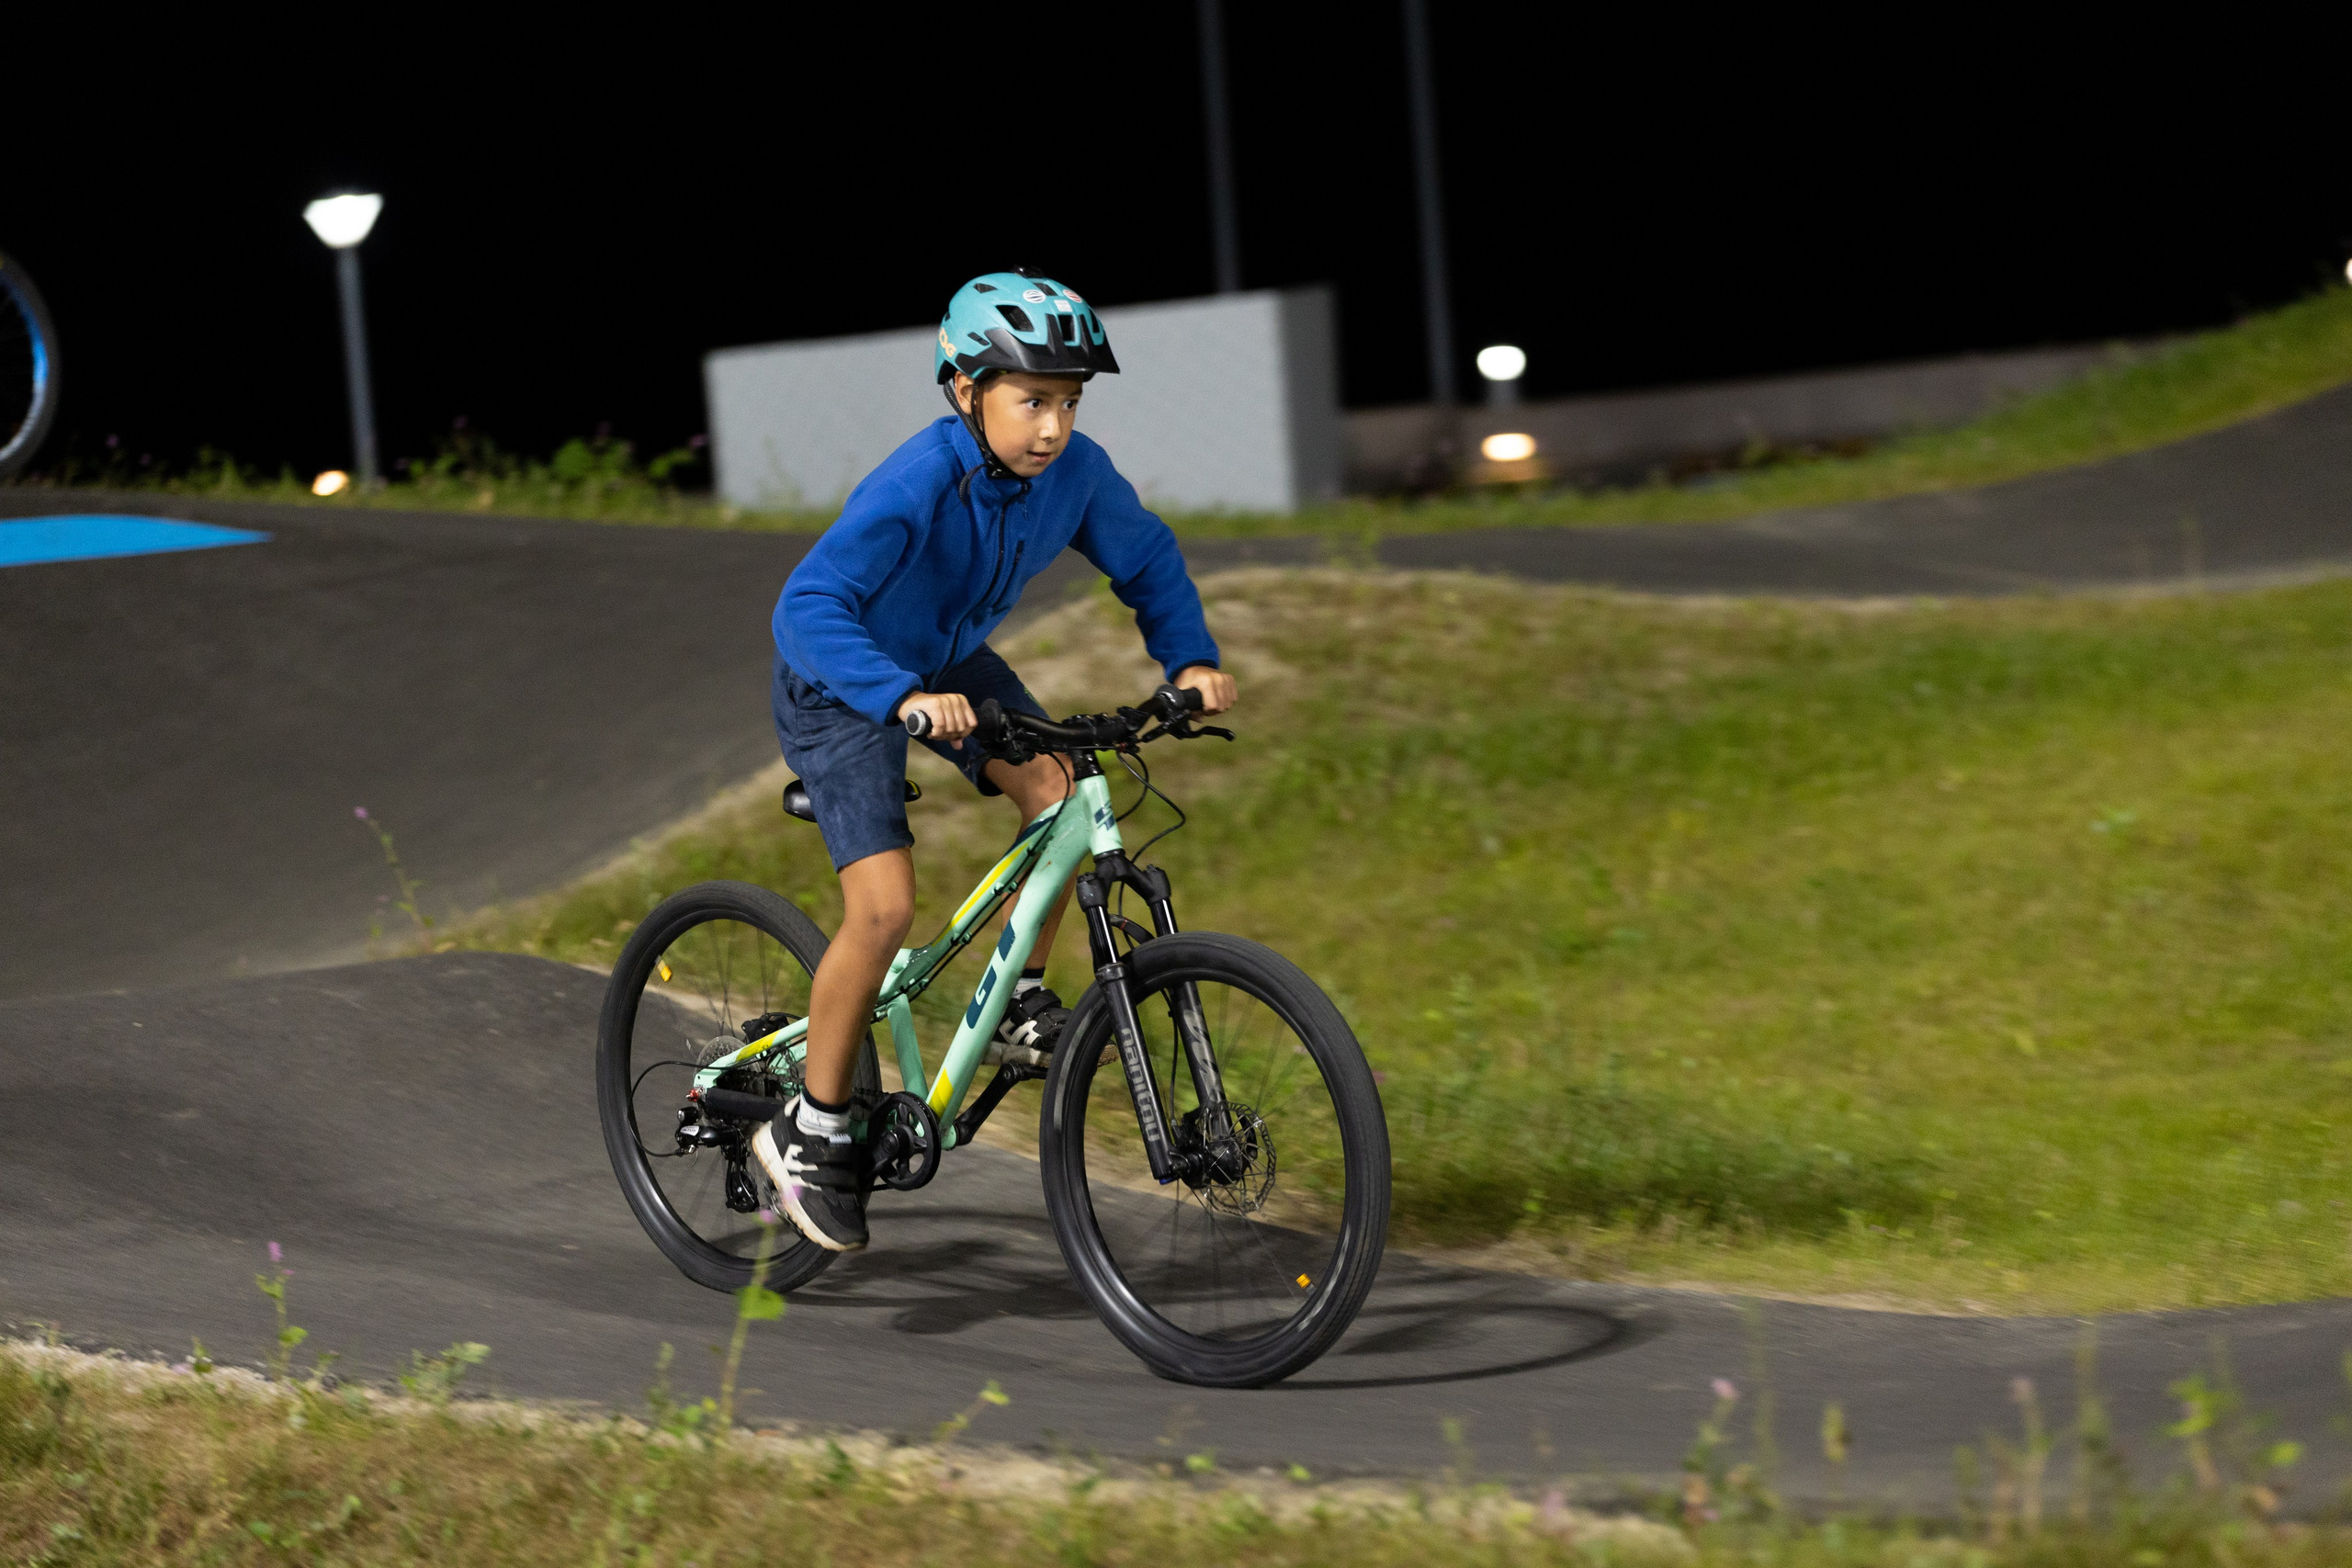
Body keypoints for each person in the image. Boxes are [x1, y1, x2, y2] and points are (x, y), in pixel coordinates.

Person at [754, 269, 1238, 1252]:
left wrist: (1187, 657)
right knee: (885, 908)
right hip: (842, 679)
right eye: (1032, 400)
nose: (1052, 426)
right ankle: (810, 1129)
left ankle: (1020, 1000)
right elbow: (805, 608)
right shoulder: (917, 480)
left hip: (945, 662)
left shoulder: (1075, 474)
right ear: (968, 390)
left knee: (1060, 792)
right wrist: (896, 698)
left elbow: (1145, 559)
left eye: (1068, 401)